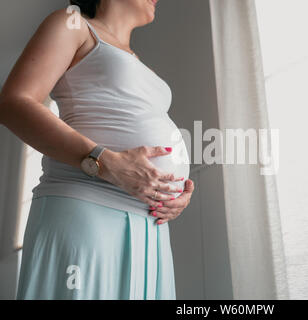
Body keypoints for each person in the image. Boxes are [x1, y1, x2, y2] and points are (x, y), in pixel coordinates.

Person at [0, 0, 194, 299]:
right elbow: (14, 103)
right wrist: (104, 162)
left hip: (151, 226)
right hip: (87, 207)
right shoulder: (72, 24)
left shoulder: (135, 60)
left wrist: (174, 192)